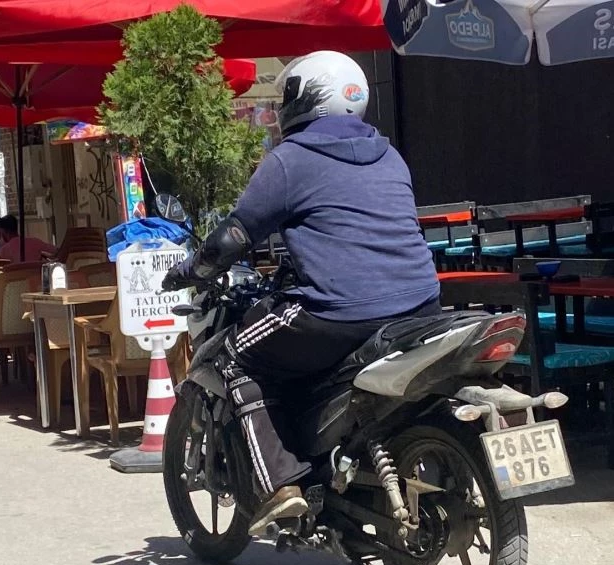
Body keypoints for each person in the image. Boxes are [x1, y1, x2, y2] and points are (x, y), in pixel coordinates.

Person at [163, 51, 441, 535]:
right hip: (419, 305)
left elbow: (233, 237)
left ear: (305, 98)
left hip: (335, 314)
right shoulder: (389, 154)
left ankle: (280, 487)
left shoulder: (290, 160)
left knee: (229, 358)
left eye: (287, 95)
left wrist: (193, 268)